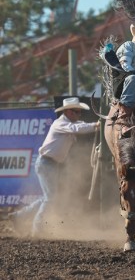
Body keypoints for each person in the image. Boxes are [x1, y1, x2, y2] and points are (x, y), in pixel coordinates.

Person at [9, 97, 100, 237]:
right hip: (47, 163)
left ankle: (18, 217)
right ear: (69, 112)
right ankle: (37, 230)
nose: (79, 114)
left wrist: (95, 125)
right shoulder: (61, 123)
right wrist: (96, 125)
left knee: (49, 197)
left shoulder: (66, 123)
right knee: (50, 198)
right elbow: (77, 127)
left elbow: (79, 125)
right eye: (77, 111)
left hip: (50, 164)